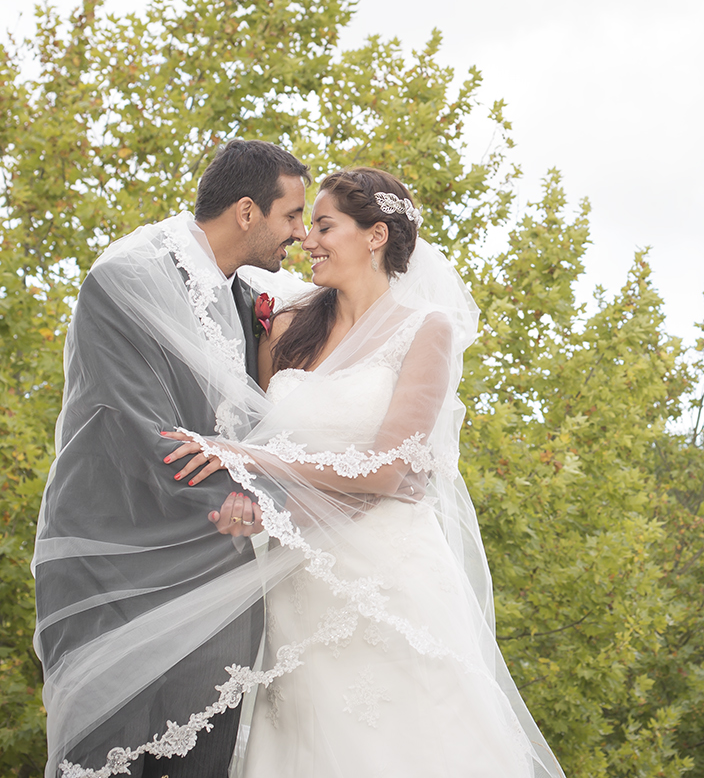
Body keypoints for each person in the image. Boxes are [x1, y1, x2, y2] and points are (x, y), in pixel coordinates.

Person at [153, 168, 563, 777]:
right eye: (305, 226)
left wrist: (247, 459)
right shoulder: (287, 328)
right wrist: (245, 493)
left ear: (375, 236)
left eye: (323, 226)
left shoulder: (426, 328)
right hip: (295, 575)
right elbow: (251, 437)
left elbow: (388, 469)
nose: (306, 241)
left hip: (387, 574)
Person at [33, 139, 311, 778]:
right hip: (120, 562)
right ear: (247, 212)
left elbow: (261, 425)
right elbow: (134, 424)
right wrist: (244, 502)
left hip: (219, 571)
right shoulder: (127, 276)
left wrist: (264, 498)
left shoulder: (253, 300)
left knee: (205, 754)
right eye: (291, 216)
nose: (298, 233)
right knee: (112, 754)